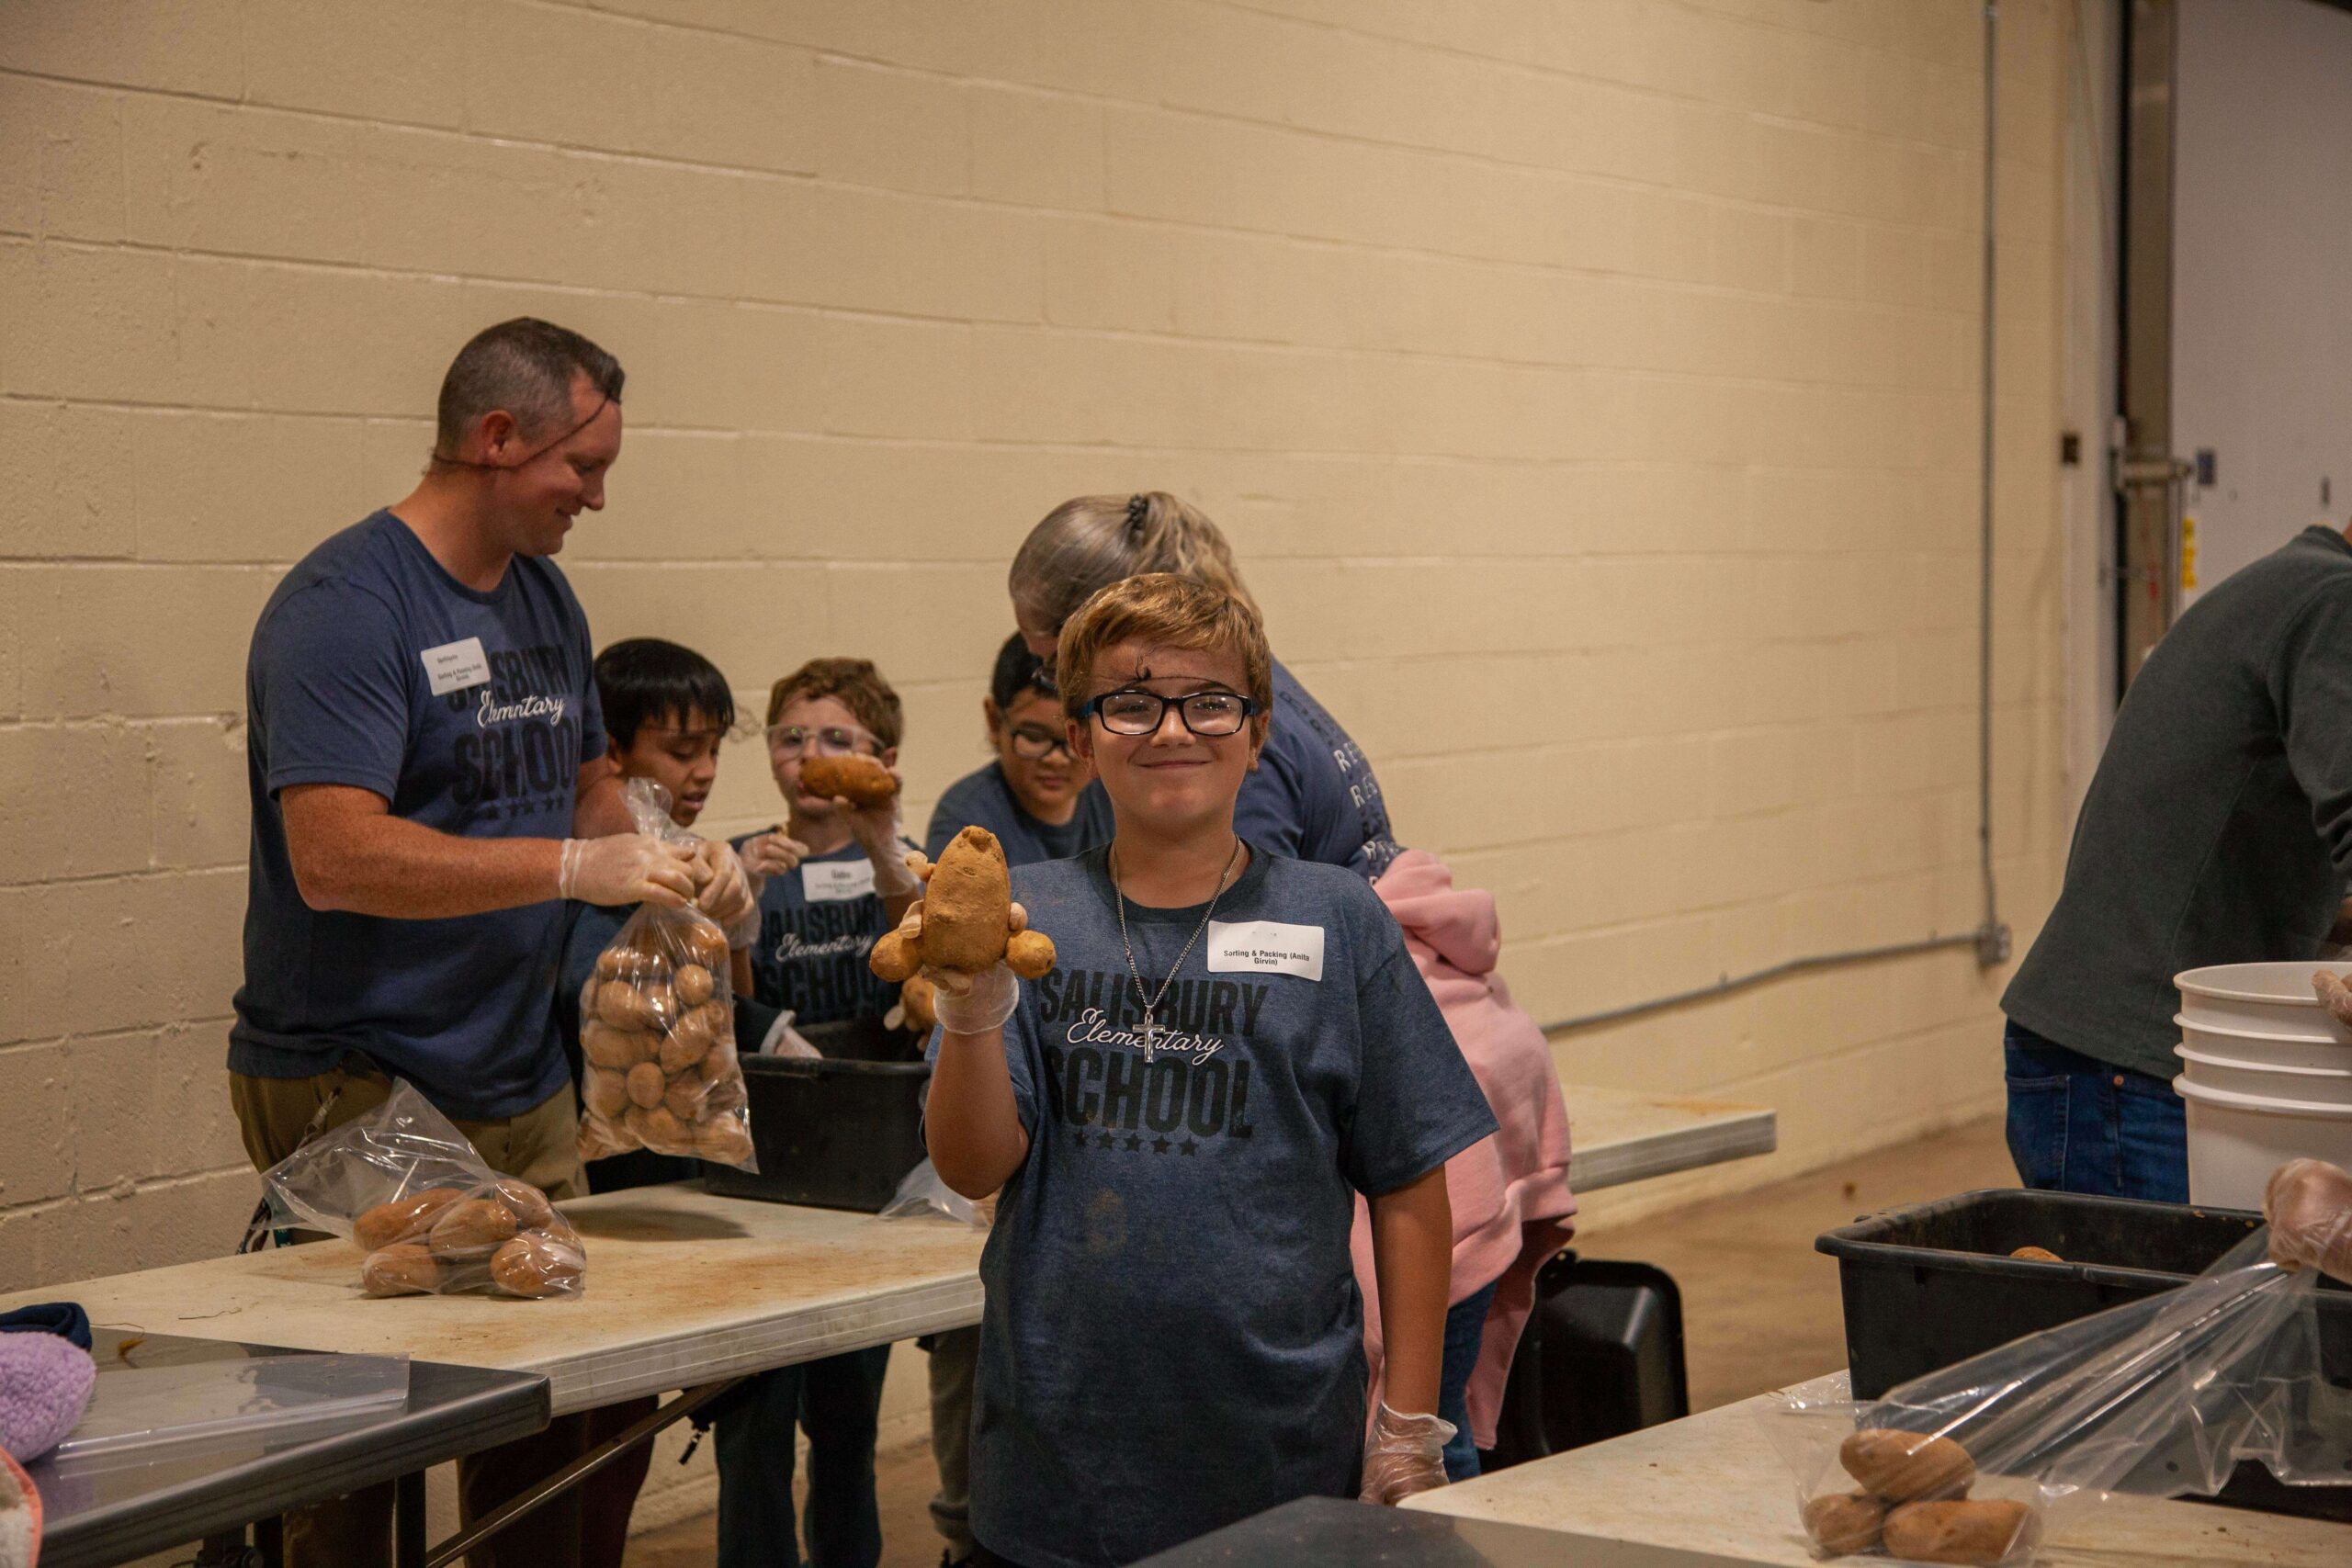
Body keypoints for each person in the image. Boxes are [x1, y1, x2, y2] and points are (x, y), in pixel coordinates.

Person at [230, 318, 751, 1568]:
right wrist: (579, 864)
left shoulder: (544, 597)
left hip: (522, 1072)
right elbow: (335, 855)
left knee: (545, 1419)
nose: (598, 496)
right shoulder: (344, 608)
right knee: (360, 1443)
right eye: (584, 464)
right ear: (496, 437)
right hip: (359, 1071)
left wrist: (673, 856)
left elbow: (584, 802)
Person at [921, 573, 1499, 1567]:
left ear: (1258, 730)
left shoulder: (1336, 919)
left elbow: (1409, 1182)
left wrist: (1406, 1423)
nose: (1172, 731)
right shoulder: (1028, 918)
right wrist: (973, 1009)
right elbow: (973, 1167)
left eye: (1209, 702)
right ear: (1082, 736)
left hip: (1276, 1453)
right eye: (1131, 704)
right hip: (1058, 1457)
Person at [1005, 492, 1572, 1479]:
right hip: (1443, 1062)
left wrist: (1400, 1433)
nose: (1167, 728)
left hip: (1394, 1095)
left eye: (1046, 651)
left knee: (1405, 1462)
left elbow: (1223, 1011)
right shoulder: (1235, 704)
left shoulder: (1238, 822)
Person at [2002, 524, 2352, 1201]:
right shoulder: (2334, 603)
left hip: (2111, 1056)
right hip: (2126, 1066)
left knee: (2199, 1306)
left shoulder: (2295, 585)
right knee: (2178, 1306)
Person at [551, 637, 779, 1568]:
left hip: (674, 1177)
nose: (704, 771)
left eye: (715, 746)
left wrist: (729, 912)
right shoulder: (573, 871)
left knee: (633, 1418)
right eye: (680, 748)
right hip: (590, 1183)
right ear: (611, 750)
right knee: (578, 1426)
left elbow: (719, 1019)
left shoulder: (693, 865)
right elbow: (592, 1016)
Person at [705, 657, 923, 1568]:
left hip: (865, 1156)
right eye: (791, 737)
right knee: (754, 1420)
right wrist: (738, 904)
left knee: (848, 1415)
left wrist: (883, 846)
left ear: (882, 755)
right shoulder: (736, 860)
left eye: (836, 738)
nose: (809, 756)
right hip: (764, 1155)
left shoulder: (899, 861)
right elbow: (721, 1003)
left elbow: (928, 973)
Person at [917, 635, 1113, 1568]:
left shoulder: (1108, 802)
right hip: (995, 1071)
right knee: (973, 1325)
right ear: (996, 723)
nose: (1050, 762)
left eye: (1063, 741)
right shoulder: (972, 820)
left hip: (1087, 1105)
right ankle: (966, 1518)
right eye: (1027, 738)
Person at [924, 634, 1114, 866]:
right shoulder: (967, 821)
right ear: (994, 721)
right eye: (1034, 737)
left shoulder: (1117, 796)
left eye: (1075, 740)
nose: (1056, 759)